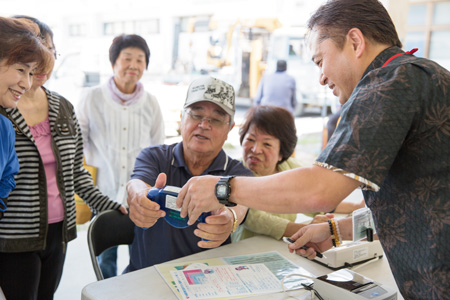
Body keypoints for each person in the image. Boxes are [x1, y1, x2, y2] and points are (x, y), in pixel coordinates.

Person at [176, 1, 450, 299]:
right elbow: (418, 206)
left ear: (355, 42)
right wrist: (337, 231)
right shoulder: (425, 75)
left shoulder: (388, 83)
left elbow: (320, 189)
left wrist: (222, 189)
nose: (320, 77)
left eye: (320, 60)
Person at [0, 16, 127, 300]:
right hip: (13, 234)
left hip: (58, 232)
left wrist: (106, 205)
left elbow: (75, 172)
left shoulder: (62, 106)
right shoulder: (4, 106)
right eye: (33, 54)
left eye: (50, 50)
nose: (43, 62)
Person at [124, 76, 252, 272]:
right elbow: (137, 184)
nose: (204, 125)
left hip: (209, 282)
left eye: (216, 119)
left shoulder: (236, 174)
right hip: (146, 280)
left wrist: (230, 218)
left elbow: (241, 205)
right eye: (196, 114)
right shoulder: (154, 157)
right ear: (181, 117)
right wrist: (138, 197)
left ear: (229, 129)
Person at [77, 34, 165, 279]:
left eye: (140, 59)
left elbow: (158, 148)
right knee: (106, 260)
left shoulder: (151, 103)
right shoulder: (91, 97)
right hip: (103, 195)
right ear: (113, 62)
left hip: (142, 197)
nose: (134, 65)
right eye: (127, 58)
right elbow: (77, 144)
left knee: (143, 256)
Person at [233, 105, 360, 242]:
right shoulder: (237, 171)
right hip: (247, 249)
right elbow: (254, 219)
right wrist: (306, 230)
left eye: (267, 144)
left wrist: (356, 207)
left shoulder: (290, 168)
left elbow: (312, 197)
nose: (256, 149)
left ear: (282, 153)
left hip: (285, 247)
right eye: (250, 140)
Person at [0, 17, 52, 220]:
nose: (27, 83)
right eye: (21, 70)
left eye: (31, 73)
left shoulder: (4, 127)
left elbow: (8, 177)